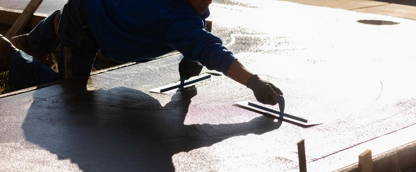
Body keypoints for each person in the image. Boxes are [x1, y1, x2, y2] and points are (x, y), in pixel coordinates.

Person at [0, 0, 284, 107]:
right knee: (66, 96)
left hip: (98, 14)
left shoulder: (188, 11)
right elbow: (212, 50)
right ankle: (11, 56)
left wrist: (190, 57)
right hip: (86, 23)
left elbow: (199, 40)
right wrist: (253, 82)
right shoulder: (174, 18)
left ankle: (43, 37)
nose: (208, 2)